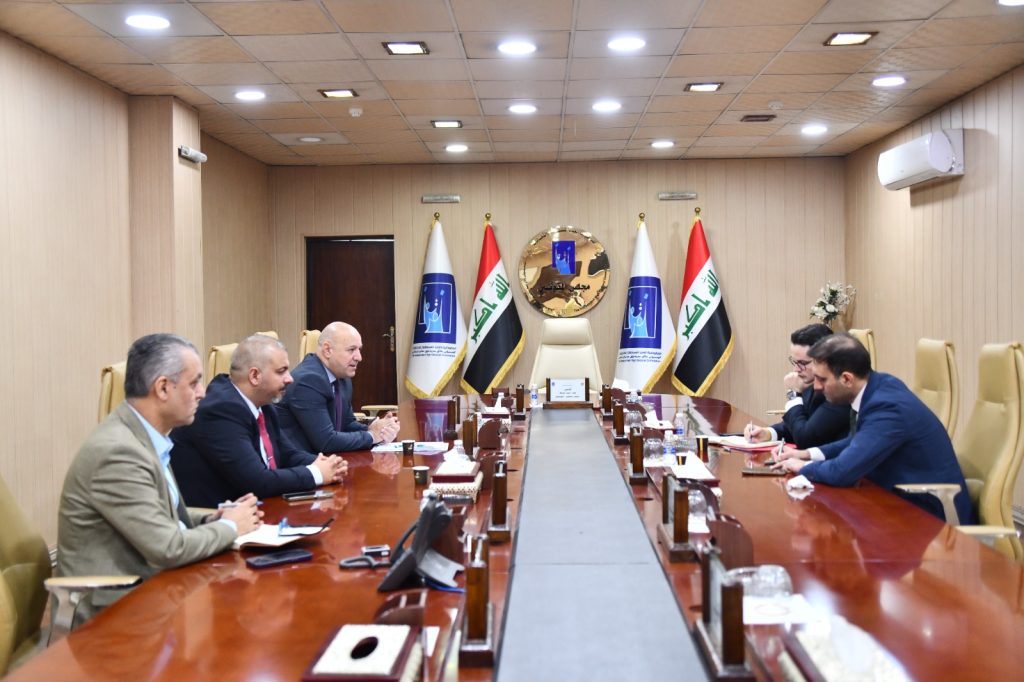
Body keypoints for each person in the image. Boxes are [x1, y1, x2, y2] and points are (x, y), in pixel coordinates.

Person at [57, 334, 262, 624]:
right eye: (194, 383)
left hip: (153, 591)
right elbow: (169, 547)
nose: (202, 393)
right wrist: (231, 526)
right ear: (163, 388)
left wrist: (213, 518)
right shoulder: (118, 452)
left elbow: (160, 513)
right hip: (111, 615)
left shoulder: (145, 437)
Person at [773, 333, 972, 523]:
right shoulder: (880, 385)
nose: (816, 386)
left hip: (927, 516)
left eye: (822, 379)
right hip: (895, 502)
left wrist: (802, 467)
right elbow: (858, 441)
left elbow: (842, 472)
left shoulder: (887, 407)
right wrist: (806, 454)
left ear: (847, 379)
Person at [171, 334, 347, 507]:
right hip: (219, 517)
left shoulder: (263, 402)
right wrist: (316, 473)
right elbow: (257, 481)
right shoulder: (221, 411)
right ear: (254, 376)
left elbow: (287, 454)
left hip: (262, 508)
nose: (290, 378)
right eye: (281, 371)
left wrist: (326, 464)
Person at [277, 322, 400, 453]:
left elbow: (347, 424)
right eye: (351, 350)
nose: (359, 357)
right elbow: (326, 442)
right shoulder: (307, 380)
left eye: (359, 349)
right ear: (327, 350)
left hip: (328, 458)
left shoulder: (341, 376)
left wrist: (379, 429)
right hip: (304, 461)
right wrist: (372, 436)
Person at [744, 324, 851, 448]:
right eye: (794, 362)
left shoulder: (840, 392)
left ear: (826, 360)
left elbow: (805, 439)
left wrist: (794, 395)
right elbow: (798, 424)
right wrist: (767, 433)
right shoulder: (811, 384)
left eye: (803, 363)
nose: (796, 369)